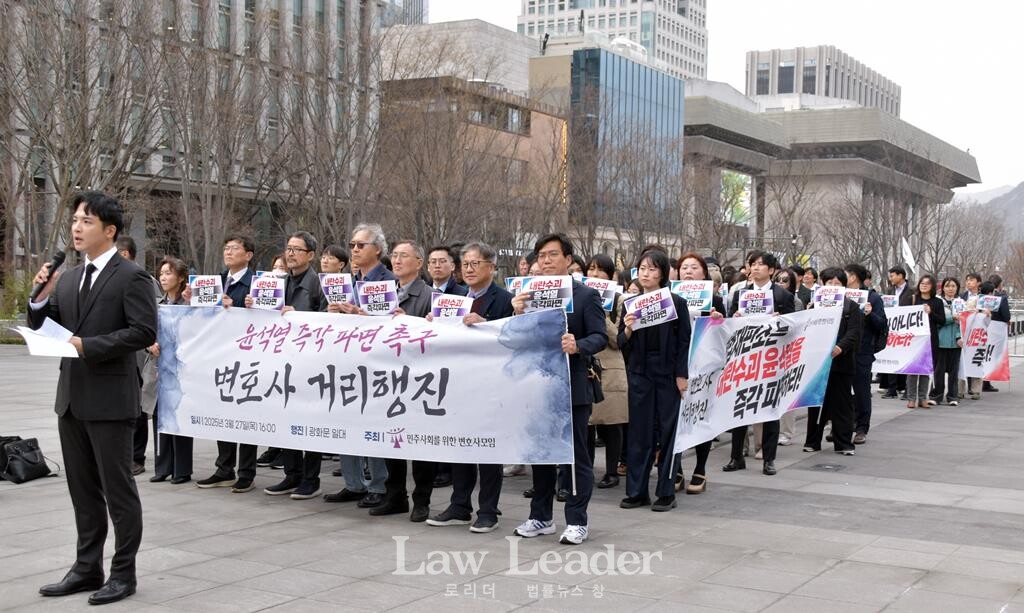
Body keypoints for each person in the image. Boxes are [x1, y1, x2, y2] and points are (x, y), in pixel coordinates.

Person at [29, 191, 157, 605]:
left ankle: (124, 574)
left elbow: (143, 332)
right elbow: (53, 326)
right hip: (71, 399)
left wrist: (90, 345)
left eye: (86, 220)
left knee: (118, 492)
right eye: (75, 220)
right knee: (82, 492)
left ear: (110, 230)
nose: (76, 227)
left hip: (111, 399)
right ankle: (86, 568)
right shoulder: (67, 278)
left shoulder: (130, 276)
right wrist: (39, 298)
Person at [512, 233, 607, 545]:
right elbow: (518, 338)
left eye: (553, 255)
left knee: (576, 453)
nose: (546, 260)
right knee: (540, 452)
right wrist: (516, 313)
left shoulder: (585, 295)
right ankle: (540, 516)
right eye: (542, 255)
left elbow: (600, 337)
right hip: (539, 384)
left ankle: (577, 520)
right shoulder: (530, 294)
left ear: (568, 259)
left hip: (574, 384)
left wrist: (577, 345)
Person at [427, 242, 514, 533]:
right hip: (458, 382)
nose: (469, 269)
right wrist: (433, 323)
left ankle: (488, 510)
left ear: (491, 267)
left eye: (475, 263)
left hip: (491, 384)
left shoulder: (506, 300)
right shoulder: (455, 297)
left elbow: (513, 339)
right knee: (460, 446)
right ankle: (459, 505)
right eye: (465, 264)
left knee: (488, 450)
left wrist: (486, 324)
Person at [324, 223, 393, 507]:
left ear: (377, 249)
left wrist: (363, 315)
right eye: (352, 244)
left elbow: (395, 321)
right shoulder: (347, 281)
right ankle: (353, 483)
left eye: (360, 245)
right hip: (346, 361)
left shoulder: (388, 280)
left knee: (372, 425)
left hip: (376, 363)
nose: (354, 249)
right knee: (346, 422)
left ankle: (378, 484)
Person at [254, 231, 327, 499]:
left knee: (310, 422)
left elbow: (329, 319)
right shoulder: (277, 282)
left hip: (310, 364)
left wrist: (301, 316)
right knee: (286, 418)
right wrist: (253, 304)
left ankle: (311, 478)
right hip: (282, 361)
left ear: (311, 255)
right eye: (288, 248)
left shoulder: (318, 284)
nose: (291, 253)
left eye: (297, 249)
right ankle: (291, 474)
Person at [617, 250, 690, 512]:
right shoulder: (630, 304)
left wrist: (682, 375)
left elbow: (684, 342)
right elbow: (620, 343)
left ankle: (666, 492)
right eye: (641, 269)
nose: (645, 274)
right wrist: (627, 328)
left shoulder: (676, 303)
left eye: (651, 269)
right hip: (640, 373)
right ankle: (637, 491)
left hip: (668, 373)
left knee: (670, 432)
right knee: (639, 433)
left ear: (663, 273)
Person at [372, 240, 438, 521]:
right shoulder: (385, 294)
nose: (397, 261)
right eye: (394, 256)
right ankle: (394, 494)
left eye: (404, 256)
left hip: (419, 378)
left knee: (421, 441)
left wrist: (409, 321)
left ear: (419, 263)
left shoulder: (430, 295)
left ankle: (421, 499)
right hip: (388, 375)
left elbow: (436, 335)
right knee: (392, 438)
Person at [195, 235, 259, 493]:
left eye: (235, 248)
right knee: (222, 413)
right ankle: (224, 468)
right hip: (220, 356)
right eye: (226, 248)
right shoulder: (216, 281)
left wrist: (245, 308)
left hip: (248, 358)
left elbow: (270, 316)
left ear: (249, 255)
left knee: (246, 414)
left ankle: (246, 472)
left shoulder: (257, 283)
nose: (229, 252)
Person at [724, 250, 795, 476]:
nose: (755, 268)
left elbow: (793, 328)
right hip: (745, 358)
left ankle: (769, 458)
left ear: (772, 270)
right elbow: (730, 324)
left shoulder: (782, 296)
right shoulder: (741, 294)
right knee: (740, 407)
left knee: (770, 409)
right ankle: (736, 456)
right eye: (752, 264)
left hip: (770, 359)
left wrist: (779, 320)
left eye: (761, 265)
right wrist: (734, 319)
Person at [673, 252, 724, 494]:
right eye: (684, 267)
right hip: (679, 365)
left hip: (704, 368)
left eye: (694, 267)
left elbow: (724, 332)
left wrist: (717, 318)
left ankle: (700, 469)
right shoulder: (671, 298)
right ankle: (678, 469)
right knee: (678, 417)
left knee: (701, 415)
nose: (688, 271)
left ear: (704, 273)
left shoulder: (714, 299)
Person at [803, 268, 863, 455]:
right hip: (819, 364)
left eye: (838, 284)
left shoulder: (851, 307)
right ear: (823, 284)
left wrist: (840, 347)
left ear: (844, 286)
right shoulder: (814, 306)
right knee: (816, 405)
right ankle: (813, 441)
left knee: (842, 405)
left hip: (842, 363)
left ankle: (843, 443)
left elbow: (854, 332)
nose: (833, 286)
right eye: (830, 283)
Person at [115, 236, 160, 477]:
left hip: (139, 354)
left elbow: (154, 315)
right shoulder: (109, 280)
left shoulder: (141, 279)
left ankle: (137, 456)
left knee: (139, 407)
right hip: (118, 353)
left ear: (126, 254)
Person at [148, 257, 194, 485]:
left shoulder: (188, 304)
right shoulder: (158, 305)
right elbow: (146, 330)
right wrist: (150, 343)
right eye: (162, 273)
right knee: (160, 416)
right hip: (160, 367)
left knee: (179, 413)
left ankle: (182, 469)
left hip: (182, 368)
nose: (163, 277)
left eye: (169, 273)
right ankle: (163, 466)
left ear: (181, 278)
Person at [585, 254, 627, 490]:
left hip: (610, 367)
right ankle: (586, 470)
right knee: (586, 424)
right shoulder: (578, 295)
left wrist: (600, 311)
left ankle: (612, 471)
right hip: (585, 363)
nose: (595, 274)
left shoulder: (618, 300)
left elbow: (617, 340)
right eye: (591, 269)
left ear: (610, 275)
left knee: (612, 424)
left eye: (601, 270)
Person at [844, 263, 886, 444]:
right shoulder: (840, 295)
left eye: (846, 274)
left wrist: (869, 313)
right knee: (842, 390)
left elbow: (882, 324)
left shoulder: (873, 297)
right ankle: (843, 425)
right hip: (842, 348)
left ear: (853, 277)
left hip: (863, 350)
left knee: (861, 390)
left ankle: (862, 428)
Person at [906, 274, 943, 409]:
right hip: (914, 339)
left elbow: (942, 320)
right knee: (912, 370)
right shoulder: (913, 299)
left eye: (927, 283)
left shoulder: (937, 302)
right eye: (922, 283)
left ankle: (922, 398)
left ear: (932, 286)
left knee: (925, 369)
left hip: (930, 339)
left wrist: (931, 312)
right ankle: (911, 398)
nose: (924, 285)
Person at [882, 266, 913, 400]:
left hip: (906, 329)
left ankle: (906, 387)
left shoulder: (912, 291)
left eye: (893, 275)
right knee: (891, 358)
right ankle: (891, 388)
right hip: (892, 329)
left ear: (901, 276)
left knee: (905, 359)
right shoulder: (889, 291)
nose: (891, 278)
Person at [935, 277, 963, 406]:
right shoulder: (938, 302)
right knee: (938, 371)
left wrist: (959, 336)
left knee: (954, 372)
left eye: (953, 286)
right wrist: (952, 318)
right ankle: (936, 395)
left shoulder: (961, 303)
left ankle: (952, 396)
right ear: (943, 288)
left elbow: (963, 323)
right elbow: (937, 320)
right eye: (947, 286)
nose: (950, 288)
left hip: (956, 343)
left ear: (957, 287)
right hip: (940, 341)